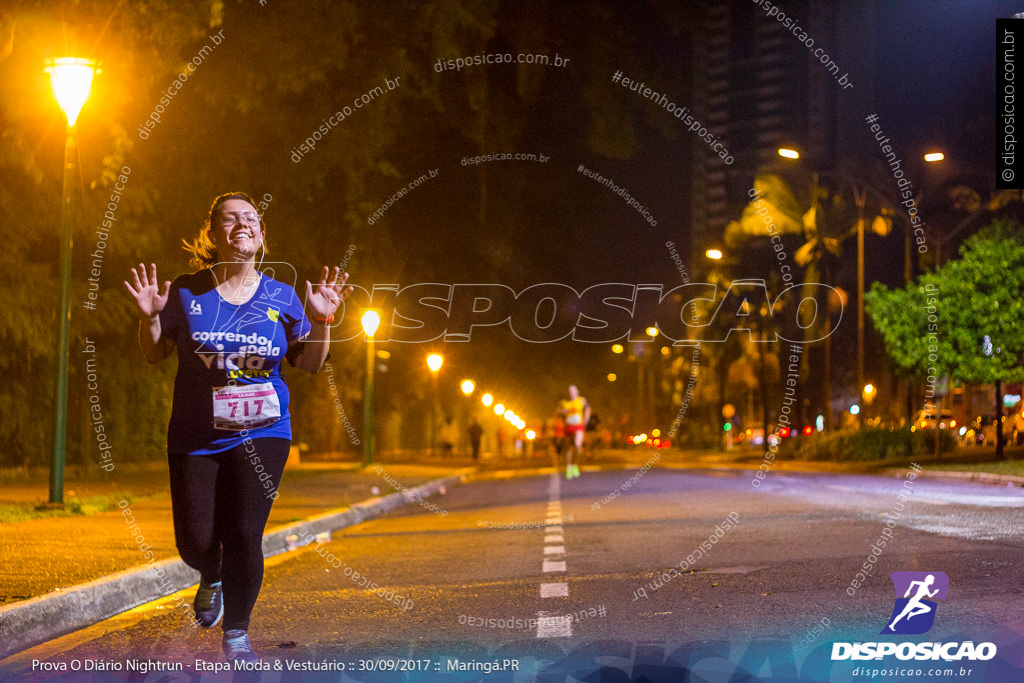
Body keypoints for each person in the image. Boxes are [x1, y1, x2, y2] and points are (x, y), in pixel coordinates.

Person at [124, 191, 351, 663]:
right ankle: (211, 574)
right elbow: (154, 353)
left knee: (246, 533)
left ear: (262, 235)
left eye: (250, 218)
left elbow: (309, 364)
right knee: (195, 542)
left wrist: (322, 318)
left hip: (264, 430)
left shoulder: (282, 296)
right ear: (213, 234)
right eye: (229, 219)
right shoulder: (187, 291)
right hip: (195, 434)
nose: (241, 224)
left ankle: (237, 635)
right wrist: (148, 319)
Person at [559, 385, 590, 479]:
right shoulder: (565, 403)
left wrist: (586, 418)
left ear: (577, 391)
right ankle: (569, 467)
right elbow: (560, 412)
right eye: (570, 391)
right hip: (569, 426)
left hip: (579, 426)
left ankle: (575, 466)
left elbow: (588, 407)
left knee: (577, 444)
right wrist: (562, 412)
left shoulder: (581, 400)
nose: (572, 393)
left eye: (573, 391)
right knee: (568, 447)